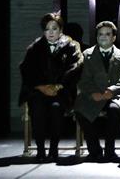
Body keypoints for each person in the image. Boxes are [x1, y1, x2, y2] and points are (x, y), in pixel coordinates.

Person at [19, 12, 83, 162]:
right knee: (37, 108)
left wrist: (58, 86)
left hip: (61, 91)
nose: (51, 32)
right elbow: (26, 69)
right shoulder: (35, 47)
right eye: (47, 29)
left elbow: (76, 67)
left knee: (56, 108)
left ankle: (54, 148)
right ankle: (40, 149)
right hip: (39, 91)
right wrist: (41, 87)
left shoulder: (71, 46)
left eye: (54, 28)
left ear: (61, 30)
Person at [74, 21, 120, 162]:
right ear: (97, 36)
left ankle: (110, 150)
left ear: (114, 37)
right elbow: (82, 79)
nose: (103, 37)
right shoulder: (86, 55)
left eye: (107, 34)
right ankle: (95, 150)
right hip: (93, 95)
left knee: (114, 110)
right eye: (100, 34)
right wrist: (93, 92)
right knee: (80, 111)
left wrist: (112, 90)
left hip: (114, 96)